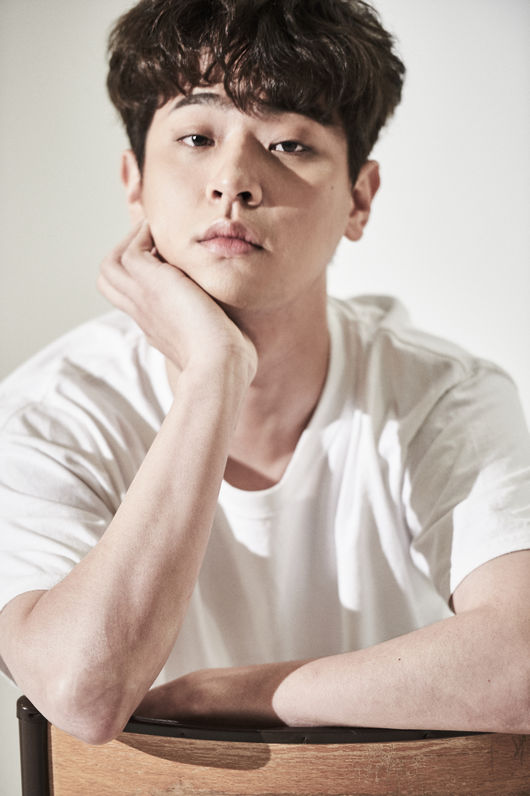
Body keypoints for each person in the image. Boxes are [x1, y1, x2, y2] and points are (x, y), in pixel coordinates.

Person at [0, 0, 529, 746]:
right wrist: (213, 374)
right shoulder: (48, 416)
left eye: (288, 144)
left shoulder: (443, 396)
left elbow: (522, 664)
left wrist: (239, 693)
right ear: (134, 179)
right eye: (196, 137)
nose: (234, 181)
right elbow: (81, 693)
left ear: (360, 199)